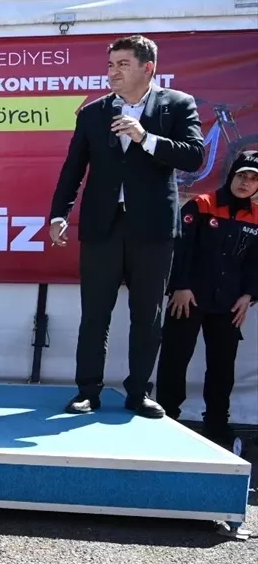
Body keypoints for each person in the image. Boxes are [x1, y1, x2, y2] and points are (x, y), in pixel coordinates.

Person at [49, 34, 204, 418]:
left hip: (152, 228)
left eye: (122, 64)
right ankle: (88, 390)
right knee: (95, 313)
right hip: (103, 225)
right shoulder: (93, 112)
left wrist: (145, 137)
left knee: (147, 314)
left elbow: (194, 157)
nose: (112, 72)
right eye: (110, 65)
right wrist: (58, 214)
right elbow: (73, 169)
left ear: (147, 67)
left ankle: (139, 392)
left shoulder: (177, 105)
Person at [155, 151, 258, 447]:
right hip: (188, 297)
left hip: (229, 304)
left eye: (253, 179)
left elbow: (254, 263)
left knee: (223, 366)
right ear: (232, 175)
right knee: (175, 359)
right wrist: (181, 286)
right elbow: (180, 248)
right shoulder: (202, 204)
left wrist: (248, 295)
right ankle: (168, 419)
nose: (245, 183)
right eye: (242, 176)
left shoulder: (256, 216)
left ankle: (216, 425)